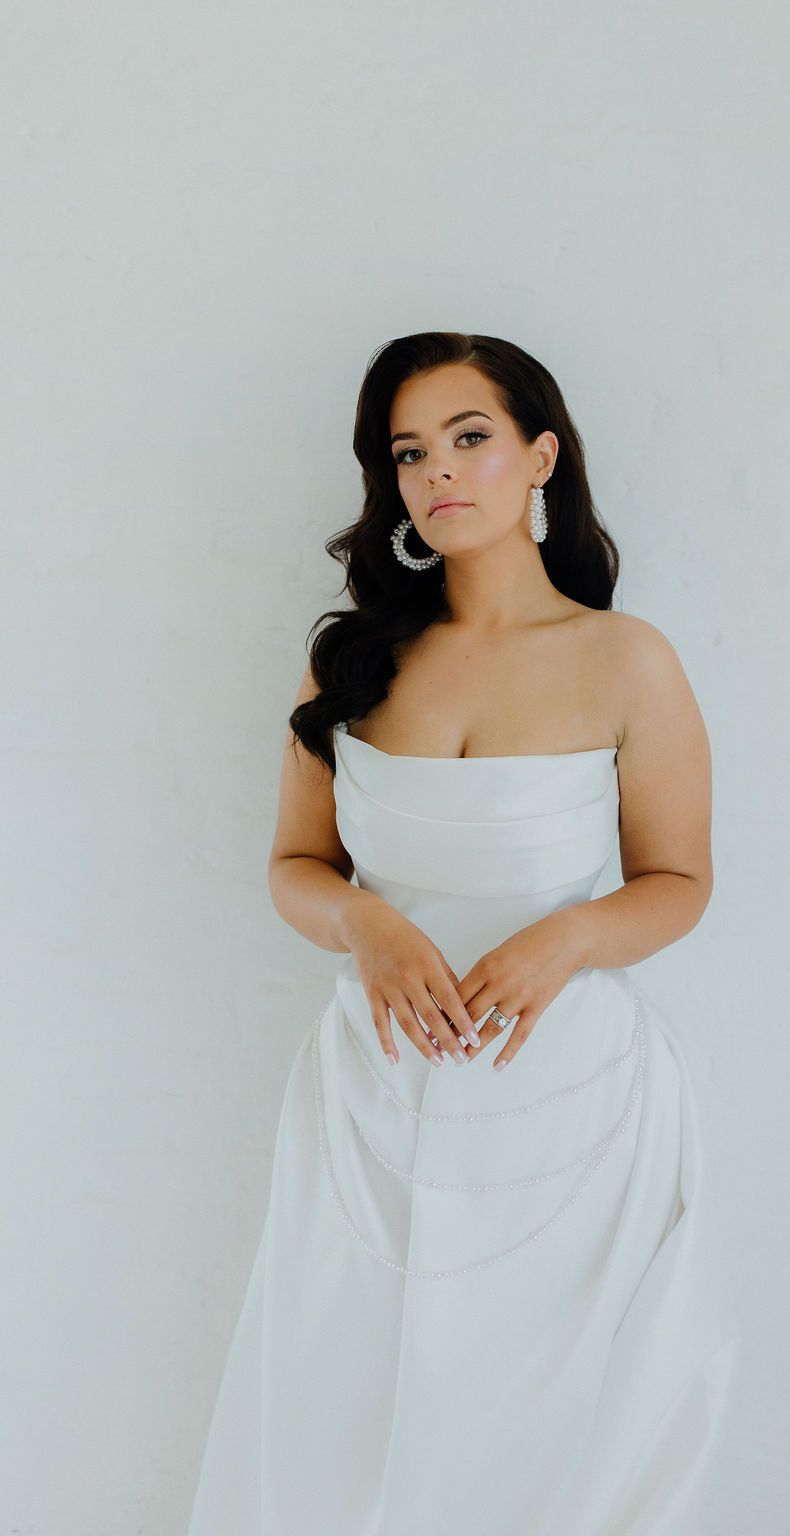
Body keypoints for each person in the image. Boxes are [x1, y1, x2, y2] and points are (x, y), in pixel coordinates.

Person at [186, 331, 740, 1534]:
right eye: (409, 452)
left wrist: (569, 939)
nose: (438, 471)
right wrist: (363, 922)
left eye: (470, 438)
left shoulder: (624, 660)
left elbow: (680, 879)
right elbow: (293, 866)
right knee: (340, 1417)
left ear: (542, 457)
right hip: (369, 1097)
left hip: (572, 1103)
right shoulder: (351, 662)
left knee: (547, 1441)